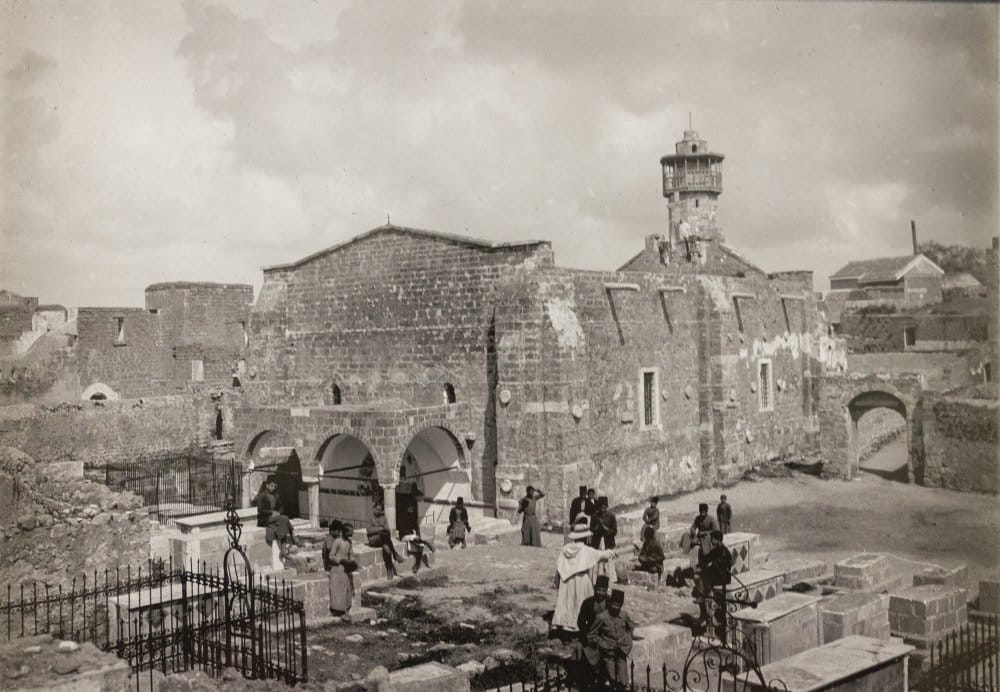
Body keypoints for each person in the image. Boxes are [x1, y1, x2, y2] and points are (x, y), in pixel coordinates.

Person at [551, 519, 616, 635]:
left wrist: (557, 581)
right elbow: (602, 555)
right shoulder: (586, 550)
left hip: (566, 581)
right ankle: (578, 627)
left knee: (567, 602)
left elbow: (559, 567)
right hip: (581, 579)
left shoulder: (565, 549)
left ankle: (564, 625)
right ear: (586, 537)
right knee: (581, 602)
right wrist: (611, 552)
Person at [585, 589, 635, 687]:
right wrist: (603, 644)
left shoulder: (624, 615)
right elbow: (591, 635)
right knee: (613, 679)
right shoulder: (602, 617)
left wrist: (626, 638)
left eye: (618, 605)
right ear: (610, 603)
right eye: (614, 604)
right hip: (608, 654)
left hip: (621, 652)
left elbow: (631, 627)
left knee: (624, 680)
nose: (616, 607)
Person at [696, 530, 733, 641]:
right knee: (699, 576)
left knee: (702, 577)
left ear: (718, 540)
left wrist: (705, 569)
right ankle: (702, 596)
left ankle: (703, 597)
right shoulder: (717, 549)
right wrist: (701, 566)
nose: (711, 541)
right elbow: (707, 559)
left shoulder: (723, 552)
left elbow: (718, 566)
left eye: (713, 539)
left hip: (723, 579)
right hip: (717, 576)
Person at [254, 475, 301, 556]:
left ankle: (283, 547)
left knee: (283, 521)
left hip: (275, 518)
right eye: (271, 486)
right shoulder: (261, 496)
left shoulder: (276, 495)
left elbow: (281, 506)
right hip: (265, 519)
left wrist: (279, 512)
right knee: (285, 519)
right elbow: (260, 510)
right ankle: (292, 537)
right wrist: (271, 512)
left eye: (274, 486)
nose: (273, 488)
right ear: (267, 485)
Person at [323, 521, 357, 617]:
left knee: (347, 588)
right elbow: (331, 556)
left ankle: (345, 610)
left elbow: (351, 554)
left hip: (345, 568)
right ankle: (338, 611)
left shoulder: (349, 542)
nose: (352, 533)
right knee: (337, 588)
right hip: (336, 568)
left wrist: (352, 561)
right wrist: (341, 560)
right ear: (345, 532)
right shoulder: (337, 541)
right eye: (350, 531)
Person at [368, 500, 404, 578]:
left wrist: (379, 529)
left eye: (379, 510)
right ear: (374, 508)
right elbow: (369, 530)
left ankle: (389, 569)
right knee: (384, 536)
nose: (377, 511)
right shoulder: (370, 518)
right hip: (374, 540)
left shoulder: (383, 518)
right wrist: (381, 528)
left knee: (387, 549)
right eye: (376, 509)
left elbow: (388, 530)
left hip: (383, 540)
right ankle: (395, 554)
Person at [687, 503, 719, 569]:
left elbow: (716, 530)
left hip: (709, 537)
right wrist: (693, 532)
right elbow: (693, 527)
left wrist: (705, 533)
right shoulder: (698, 518)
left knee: (706, 540)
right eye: (701, 511)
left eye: (704, 512)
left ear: (706, 511)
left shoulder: (711, 519)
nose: (702, 513)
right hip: (699, 537)